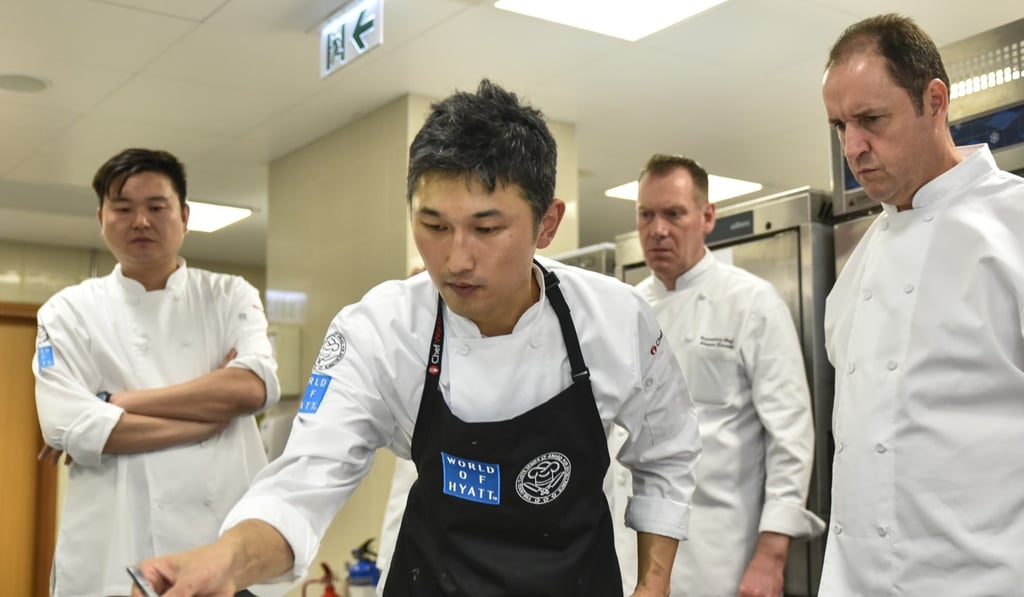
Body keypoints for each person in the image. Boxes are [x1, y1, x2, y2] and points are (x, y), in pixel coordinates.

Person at [132, 79, 702, 597]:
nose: (455, 259)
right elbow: (305, 478)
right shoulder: (380, 330)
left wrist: (653, 586)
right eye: (433, 226)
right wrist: (226, 562)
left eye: (486, 228)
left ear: (547, 225)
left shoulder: (614, 319)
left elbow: (668, 453)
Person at [820, 14, 1024, 595]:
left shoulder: (1014, 226)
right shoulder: (858, 264)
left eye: (871, 120)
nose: (852, 147)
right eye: (839, 126)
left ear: (934, 100)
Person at [32, 148, 281, 596]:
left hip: (222, 549)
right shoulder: (66, 312)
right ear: (101, 217)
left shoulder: (229, 296)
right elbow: (64, 424)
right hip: (112, 552)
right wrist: (211, 415)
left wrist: (112, 404)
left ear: (184, 216)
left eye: (156, 207)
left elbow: (250, 389)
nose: (140, 221)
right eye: (123, 208)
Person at [607, 154, 824, 597]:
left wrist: (772, 553)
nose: (658, 229)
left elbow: (791, 436)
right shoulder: (621, 309)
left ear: (707, 217)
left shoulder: (751, 304)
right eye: (646, 215)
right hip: (628, 552)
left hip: (719, 557)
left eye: (673, 214)